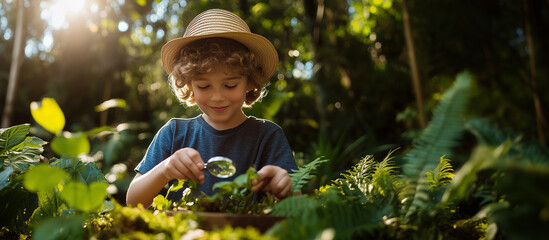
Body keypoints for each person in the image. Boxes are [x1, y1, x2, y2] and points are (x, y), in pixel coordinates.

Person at [126, 8, 297, 208]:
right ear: (189, 85)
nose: (217, 97)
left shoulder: (267, 136)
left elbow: (297, 205)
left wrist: (285, 189)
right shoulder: (174, 134)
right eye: (204, 86)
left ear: (250, 82)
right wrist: (165, 168)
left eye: (230, 85)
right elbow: (132, 202)